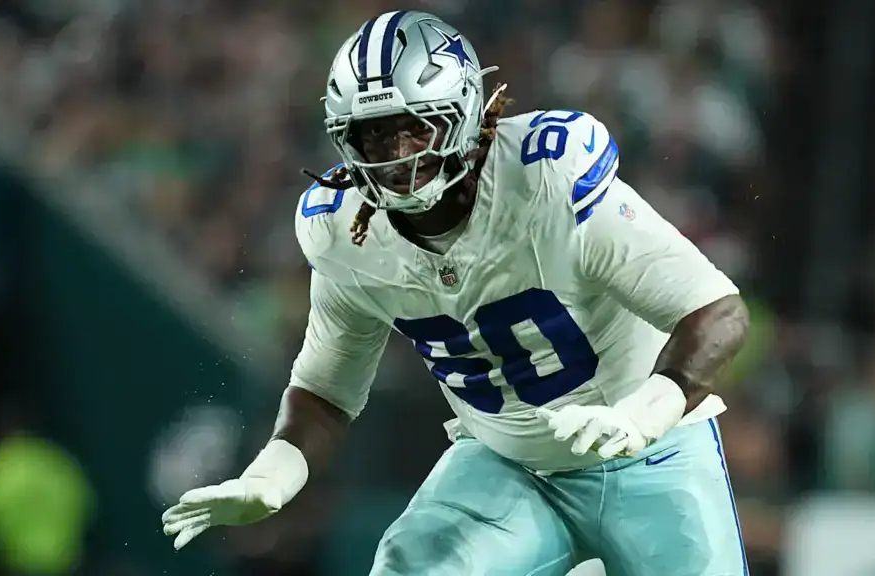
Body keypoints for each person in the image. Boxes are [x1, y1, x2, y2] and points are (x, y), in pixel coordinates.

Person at [161, 10, 750, 576]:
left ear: (466, 112)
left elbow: (715, 311)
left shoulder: (548, 177)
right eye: (374, 136)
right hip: (507, 466)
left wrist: (646, 412)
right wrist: (273, 474)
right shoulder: (344, 232)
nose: (398, 157)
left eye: (415, 127)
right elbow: (324, 391)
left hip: (654, 454)